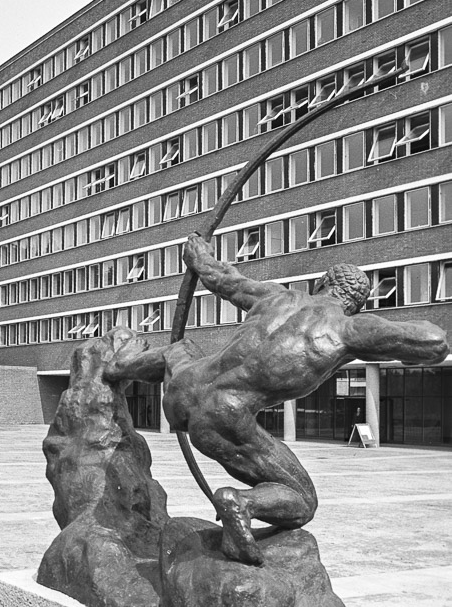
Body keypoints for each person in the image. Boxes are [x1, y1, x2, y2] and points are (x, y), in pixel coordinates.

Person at [104, 232, 449, 565]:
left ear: (321, 285)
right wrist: (401, 343)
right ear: (355, 305)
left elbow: (221, 277)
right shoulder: (348, 330)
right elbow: (434, 342)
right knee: (302, 500)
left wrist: (197, 253)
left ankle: (119, 368)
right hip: (221, 419)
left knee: (180, 350)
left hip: (182, 389)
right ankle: (241, 503)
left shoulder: (276, 297)